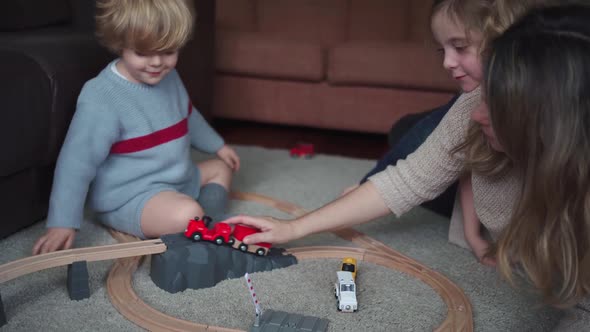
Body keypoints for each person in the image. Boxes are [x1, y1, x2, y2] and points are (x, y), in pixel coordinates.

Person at [225, 1, 590, 304]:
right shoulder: (473, 108)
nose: (478, 112)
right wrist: (294, 227)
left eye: (497, 105)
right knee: (415, 131)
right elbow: (408, 180)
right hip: (481, 171)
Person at [32, 0, 240, 255]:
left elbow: (188, 116)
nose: (156, 63)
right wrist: (62, 222)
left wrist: (217, 145)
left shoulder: (169, 77)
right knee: (188, 213)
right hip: (131, 198)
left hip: (177, 179)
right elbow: (76, 164)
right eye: (142, 53)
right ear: (120, 44)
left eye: (168, 51)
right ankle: (196, 222)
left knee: (222, 168)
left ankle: (208, 226)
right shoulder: (102, 96)